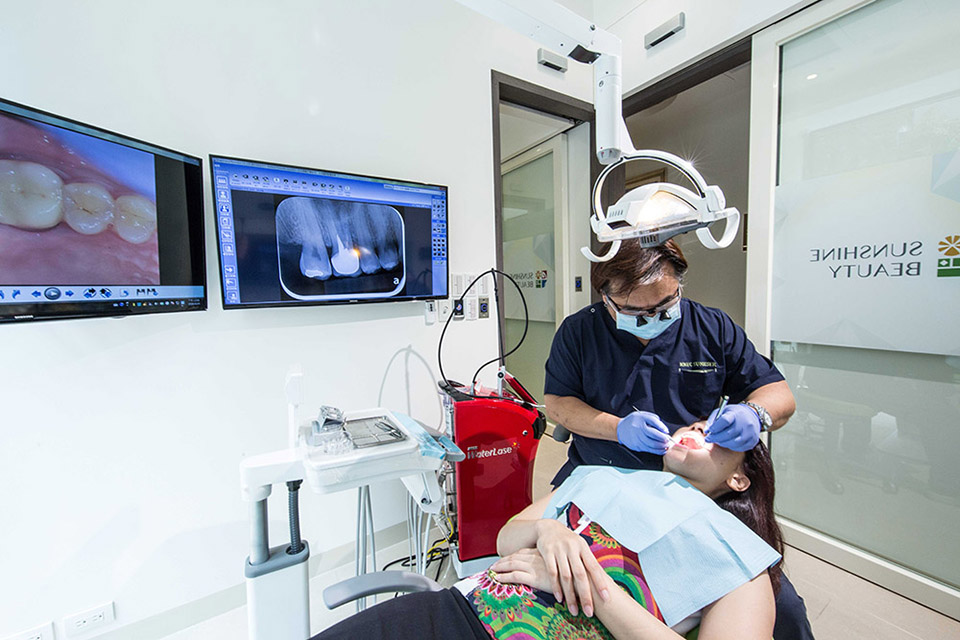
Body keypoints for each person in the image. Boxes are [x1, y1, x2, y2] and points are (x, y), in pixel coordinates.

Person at [542, 238, 812, 640]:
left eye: (665, 305)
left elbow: (779, 395)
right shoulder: (579, 332)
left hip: (689, 496)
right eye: (636, 311)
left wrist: (755, 414)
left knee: (782, 606)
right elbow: (558, 406)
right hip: (603, 480)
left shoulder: (711, 328)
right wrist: (618, 429)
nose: (652, 318)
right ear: (606, 297)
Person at [315, 424, 782, 640]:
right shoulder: (604, 476)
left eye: (719, 435)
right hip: (451, 610)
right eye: (698, 423)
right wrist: (548, 532)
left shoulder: (739, 560)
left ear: (740, 479)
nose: (700, 428)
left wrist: (594, 587)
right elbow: (504, 540)